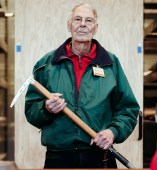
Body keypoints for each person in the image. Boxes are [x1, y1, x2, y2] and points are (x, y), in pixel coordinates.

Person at [24, 3, 140, 168]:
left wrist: (112, 132)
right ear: (69, 25)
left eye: (89, 20)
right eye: (77, 19)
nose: (83, 24)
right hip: (58, 157)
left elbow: (128, 109)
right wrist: (46, 108)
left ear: (96, 27)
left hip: (100, 156)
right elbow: (31, 111)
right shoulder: (46, 64)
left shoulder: (110, 63)